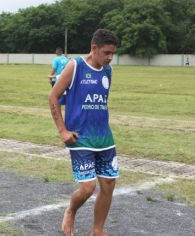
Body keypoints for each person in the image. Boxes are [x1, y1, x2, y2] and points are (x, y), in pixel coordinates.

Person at [48, 29, 119, 236]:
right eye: (106, 52)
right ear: (94, 48)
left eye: (112, 53)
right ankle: (70, 211)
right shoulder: (75, 66)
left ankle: (98, 230)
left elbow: (100, 102)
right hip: (80, 139)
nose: (110, 57)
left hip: (105, 138)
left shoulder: (108, 71)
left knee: (108, 184)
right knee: (88, 188)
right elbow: (53, 97)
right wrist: (62, 130)